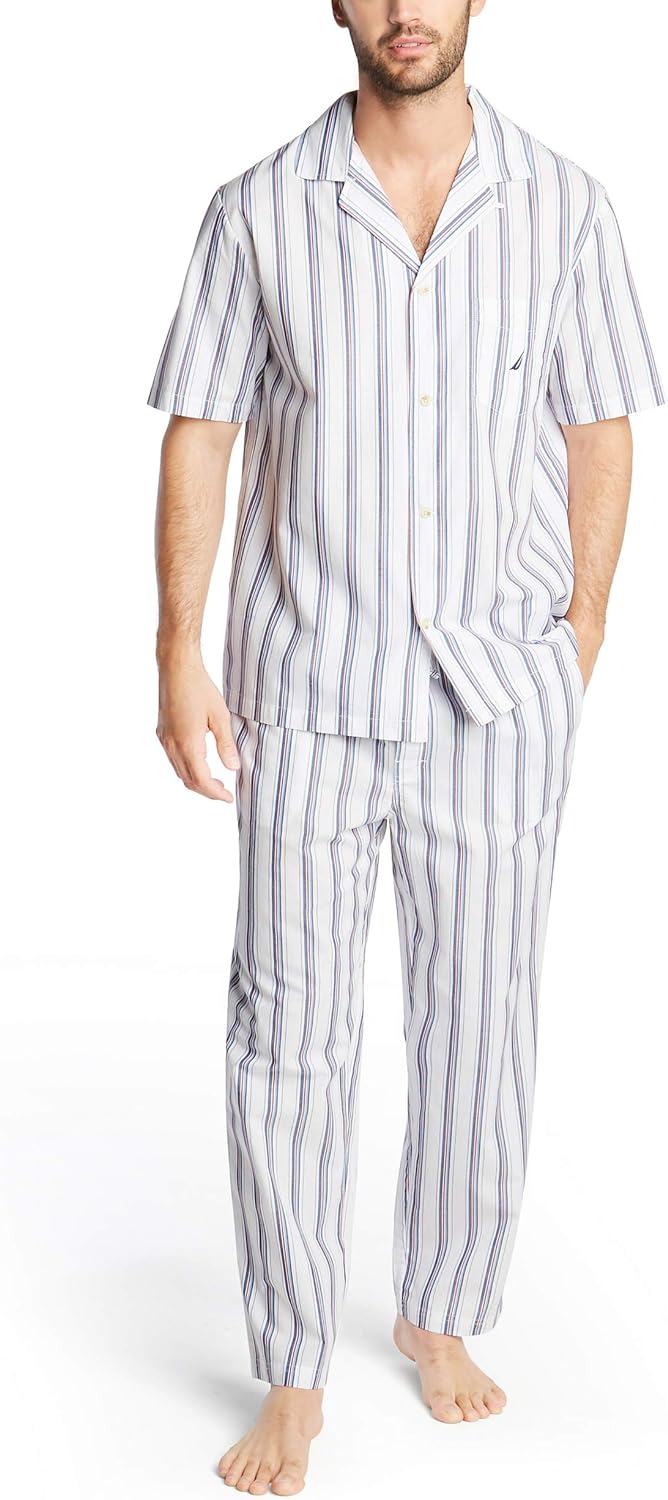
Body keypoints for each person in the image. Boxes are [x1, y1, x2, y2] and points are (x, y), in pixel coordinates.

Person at [147, 2, 665, 1493]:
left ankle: (441, 1311)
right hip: (309, 686)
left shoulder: (565, 205)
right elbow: (202, 426)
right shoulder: (257, 210)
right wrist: (177, 646)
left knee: (481, 1021)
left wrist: (580, 633)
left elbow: (602, 422)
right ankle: (295, 1369)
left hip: (497, 695)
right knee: (286, 1034)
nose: (405, 11)